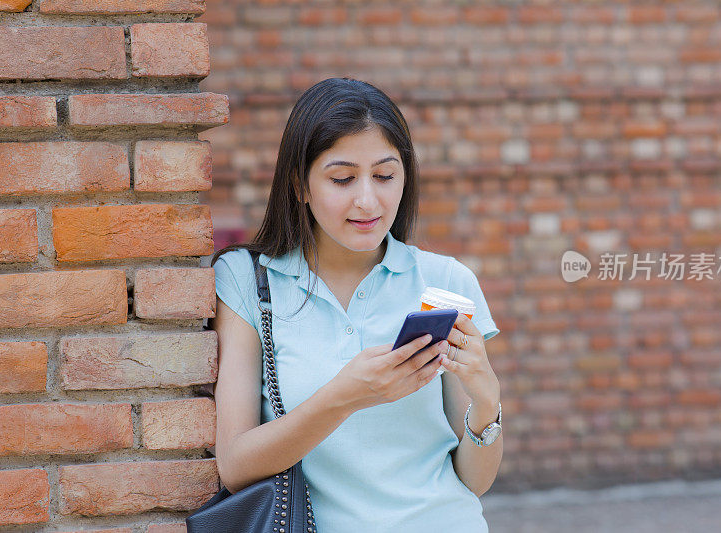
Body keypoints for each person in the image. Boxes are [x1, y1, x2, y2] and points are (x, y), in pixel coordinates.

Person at [210, 77, 502, 533]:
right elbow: (234, 465)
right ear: (300, 185)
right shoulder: (247, 280)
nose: (367, 200)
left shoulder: (446, 282)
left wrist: (487, 401)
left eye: (385, 176)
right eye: (342, 179)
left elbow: (474, 482)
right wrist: (344, 397)